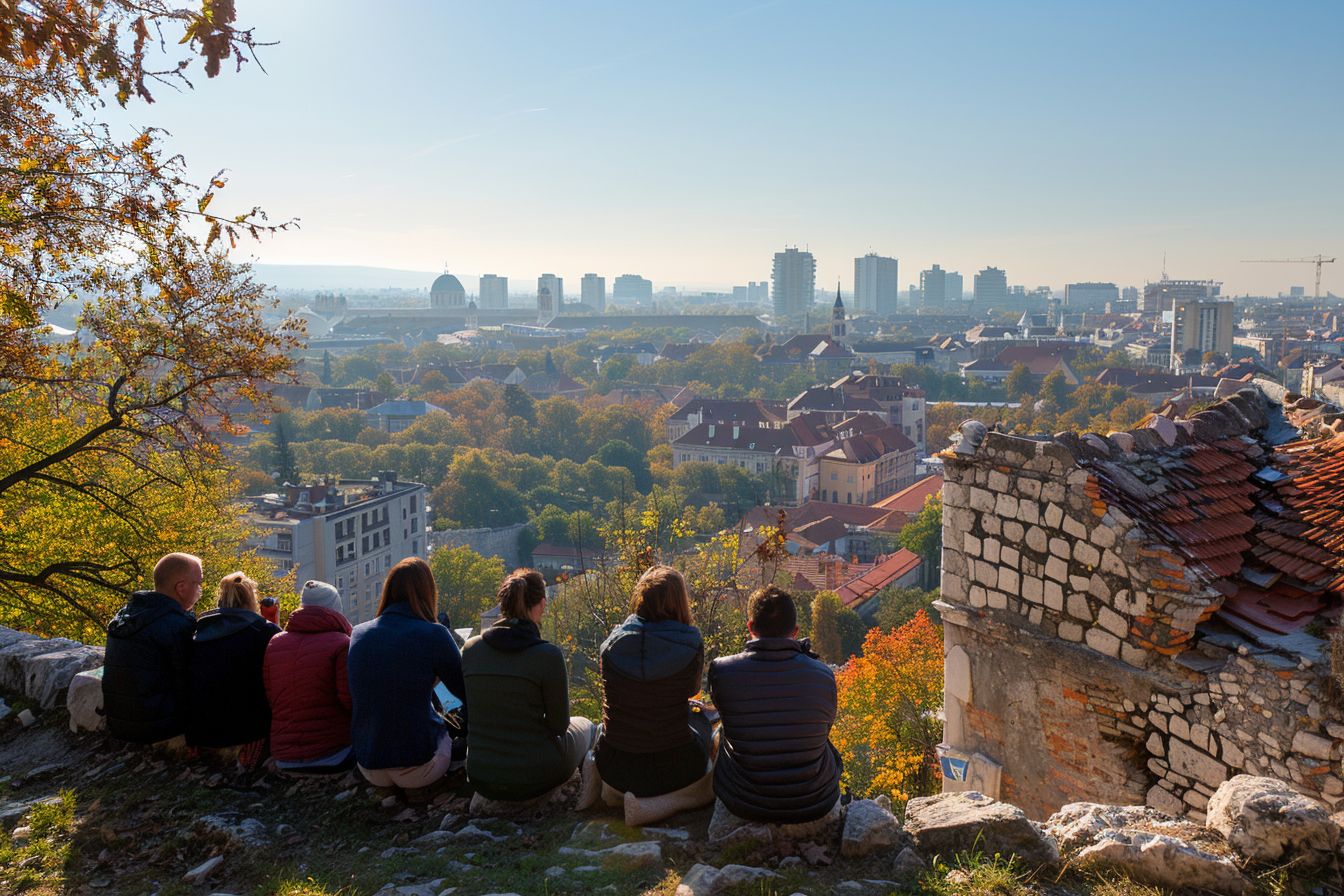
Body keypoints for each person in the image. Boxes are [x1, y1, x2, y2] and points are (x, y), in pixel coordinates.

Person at [707, 585, 842, 824]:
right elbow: (826, 726)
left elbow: (726, 715)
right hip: (812, 802)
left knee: (718, 731)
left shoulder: (722, 670)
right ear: (795, 632)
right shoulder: (823, 675)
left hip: (744, 801)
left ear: (750, 627)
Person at [461, 569, 598, 804]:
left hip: (481, 776)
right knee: (586, 726)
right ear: (542, 605)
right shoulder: (547, 655)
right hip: (537, 775)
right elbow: (559, 725)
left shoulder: (471, 650)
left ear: (503, 605)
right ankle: (587, 795)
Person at [595, 565, 715, 824]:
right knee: (704, 722)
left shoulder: (611, 645)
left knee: (599, 727)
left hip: (615, 767)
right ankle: (664, 804)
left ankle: (604, 790)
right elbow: (691, 691)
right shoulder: (691, 641)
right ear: (681, 601)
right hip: (676, 768)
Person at [347, 557, 467, 803]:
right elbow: (464, 693)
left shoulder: (358, 633)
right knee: (454, 730)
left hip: (368, 764)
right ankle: (421, 787)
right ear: (428, 592)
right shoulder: (435, 634)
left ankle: (388, 789)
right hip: (417, 764)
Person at [103, 552, 202, 744]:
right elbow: (189, 683)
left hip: (119, 722)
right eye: (198, 584)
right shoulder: (177, 626)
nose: (200, 590)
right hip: (158, 726)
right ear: (181, 588)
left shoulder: (128, 616)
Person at [263, 580, 355, 774]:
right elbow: (351, 702)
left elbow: (271, 699)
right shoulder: (342, 644)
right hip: (333, 755)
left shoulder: (275, 643)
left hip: (284, 758)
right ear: (335, 608)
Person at [186, 572, 281, 753]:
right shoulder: (262, 632)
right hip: (247, 729)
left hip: (202, 729)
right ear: (251, 601)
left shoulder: (198, 631)